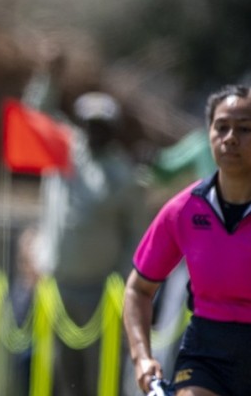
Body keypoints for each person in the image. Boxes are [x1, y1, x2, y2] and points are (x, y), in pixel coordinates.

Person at [124, 84, 251, 395]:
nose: (230, 137)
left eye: (245, 129)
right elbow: (138, 289)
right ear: (208, 134)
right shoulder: (182, 210)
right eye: (221, 127)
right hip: (206, 349)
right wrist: (142, 358)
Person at [31, 91, 146, 396]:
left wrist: (126, 283)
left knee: (100, 375)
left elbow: (136, 235)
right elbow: (37, 113)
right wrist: (48, 77)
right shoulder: (65, 149)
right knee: (62, 373)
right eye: (89, 124)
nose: (94, 132)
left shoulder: (124, 174)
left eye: (101, 126)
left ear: (113, 130)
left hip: (100, 291)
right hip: (58, 283)